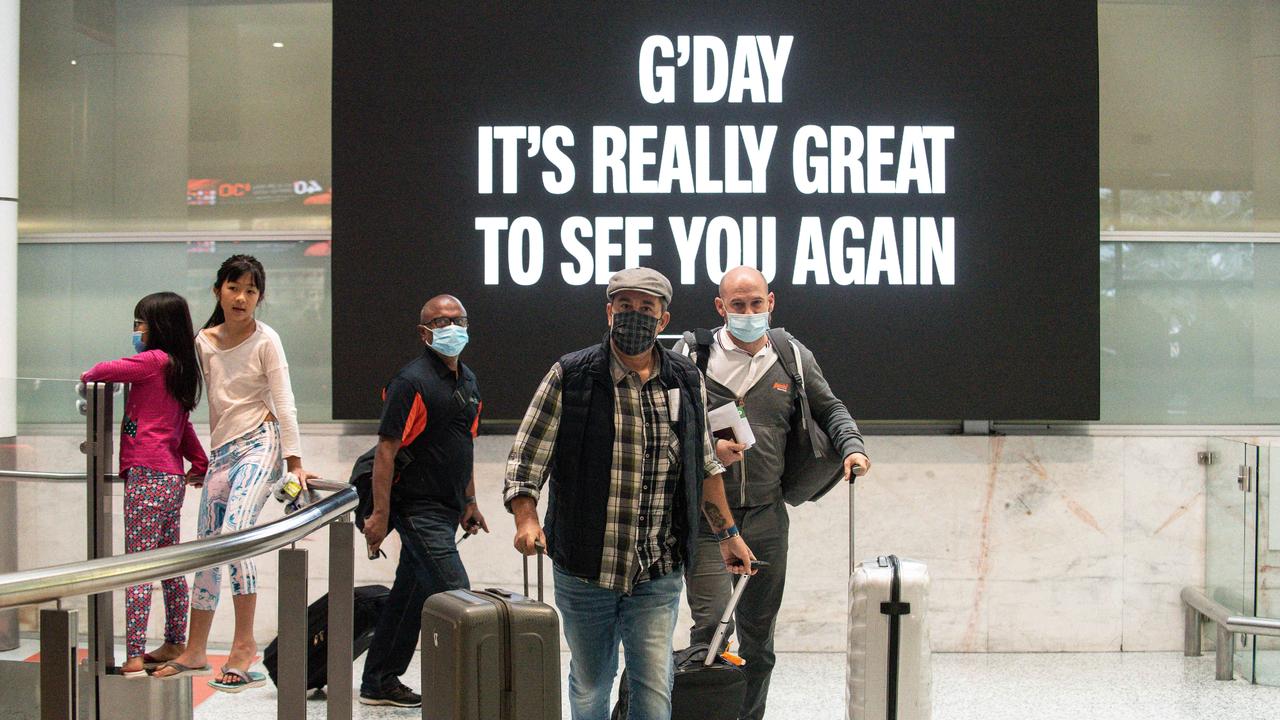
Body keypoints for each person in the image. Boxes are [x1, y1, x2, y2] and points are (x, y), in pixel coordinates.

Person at [504, 267, 756, 720]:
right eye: (625, 306)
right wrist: (526, 517)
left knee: (654, 685)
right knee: (592, 682)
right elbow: (526, 459)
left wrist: (728, 535)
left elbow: (704, 466)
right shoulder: (571, 376)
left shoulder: (684, 378)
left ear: (663, 320)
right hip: (585, 569)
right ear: (609, 312)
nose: (634, 316)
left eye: (646, 309)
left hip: (657, 569)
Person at [680, 265, 871, 720]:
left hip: (766, 515)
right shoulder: (693, 355)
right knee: (710, 633)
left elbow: (830, 407)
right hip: (707, 516)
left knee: (758, 638)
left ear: (771, 303)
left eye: (756, 303)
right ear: (720, 307)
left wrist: (852, 447)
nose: (747, 313)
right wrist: (709, 446)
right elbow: (670, 426)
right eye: (737, 305)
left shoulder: (791, 355)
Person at [154, 255, 316, 692]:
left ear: (259, 297)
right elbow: (182, 401)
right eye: (233, 288)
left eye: (251, 290)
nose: (242, 297)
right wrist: (196, 460)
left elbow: (285, 402)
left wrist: (295, 462)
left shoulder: (267, 340)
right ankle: (195, 649)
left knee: (238, 533)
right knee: (209, 547)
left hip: (262, 443)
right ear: (218, 290)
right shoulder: (202, 342)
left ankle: (244, 647)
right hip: (221, 453)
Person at [359, 294, 487, 708]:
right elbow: (385, 451)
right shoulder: (410, 382)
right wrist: (379, 515)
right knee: (459, 596)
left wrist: (469, 500)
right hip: (416, 509)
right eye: (440, 321)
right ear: (424, 332)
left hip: (448, 507)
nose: (451, 327)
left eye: (458, 319)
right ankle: (476, 695)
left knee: (409, 597)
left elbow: (464, 444)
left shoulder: (468, 381)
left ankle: (379, 681)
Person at [81, 292, 208, 678]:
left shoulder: (152, 362)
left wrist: (88, 379)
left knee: (137, 566)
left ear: (158, 327)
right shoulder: (181, 368)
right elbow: (182, 426)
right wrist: (199, 463)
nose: (136, 331)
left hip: (145, 476)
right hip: (171, 478)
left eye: (141, 323)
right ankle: (174, 639)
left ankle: (134, 653)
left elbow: (100, 370)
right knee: (170, 565)